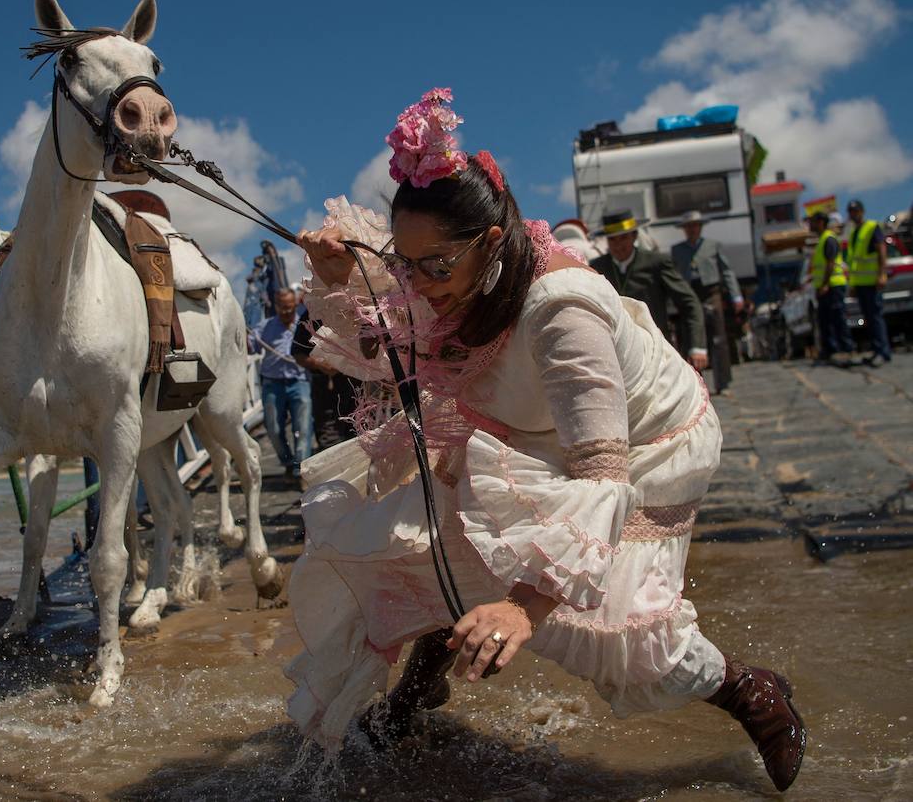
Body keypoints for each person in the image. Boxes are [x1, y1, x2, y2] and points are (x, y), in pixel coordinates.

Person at [289, 89, 805, 791]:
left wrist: (523, 607)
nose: (419, 283)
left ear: (491, 243)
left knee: (613, 631)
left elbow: (603, 479)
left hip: (645, 446)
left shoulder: (562, 311)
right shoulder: (455, 282)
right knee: (425, 533)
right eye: (405, 265)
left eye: (435, 266)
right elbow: (394, 350)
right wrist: (338, 278)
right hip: (532, 428)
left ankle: (749, 690)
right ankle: (418, 688)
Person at [590, 210, 709, 373]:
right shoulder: (597, 267)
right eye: (612, 239)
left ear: (634, 236)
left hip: (656, 349)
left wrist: (698, 346)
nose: (618, 245)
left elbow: (689, 302)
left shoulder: (656, 262)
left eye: (623, 238)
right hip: (616, 353)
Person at [670, 211, 742, 392]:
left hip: (711, 293)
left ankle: (723, 382)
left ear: (700, 227)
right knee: (690, 339)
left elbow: (726, 271)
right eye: (688, 227)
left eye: (695, 226)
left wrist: (736, 296)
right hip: (689, 295)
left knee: (719, 338)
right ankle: (696, 385)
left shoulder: (712, 246)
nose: (692, 230)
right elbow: (674, 276)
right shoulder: (677, 250)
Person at [249, 287, 313, 481]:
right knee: (273, 428)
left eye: (289, 307)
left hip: (299, 380)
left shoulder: (303, 325)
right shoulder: (265, 327)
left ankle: (301, 470)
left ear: (294, 305)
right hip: (272, 383)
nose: (286, 311)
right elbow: (250, 346)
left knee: (302, 428)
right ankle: (287, 462)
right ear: (276, 306)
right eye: (282, 307)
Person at [291, 313, 359, 450]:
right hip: (326, 391)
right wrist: (320, 365)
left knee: (356, 439)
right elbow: (298, 353)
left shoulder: (354, 313)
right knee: (330, 441)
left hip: (356, 392)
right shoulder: (310, 315)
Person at [846, 199, 893, 366]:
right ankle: (875, 350)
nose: (853, 214)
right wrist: (852, 284)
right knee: (868, 318)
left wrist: (882, 274)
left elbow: (881, 249)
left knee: (875, 317)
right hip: (860, 283)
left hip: (872, 281)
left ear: (862, 211)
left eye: (856, 211)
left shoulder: (872, 227)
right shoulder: (853, 233)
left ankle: (883, 352)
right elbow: (854, 262)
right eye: (851, 212)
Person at [808, 210, 856, 365]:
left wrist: (825, 284)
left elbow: (830, 264)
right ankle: (830, 350)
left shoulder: (828, 239)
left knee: (837, 318)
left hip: (833, 286)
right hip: (826, 287)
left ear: (821, 222)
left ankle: (846, 349)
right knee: (825, 320)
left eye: (813, 221)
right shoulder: (822, 239)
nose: (811, 225)